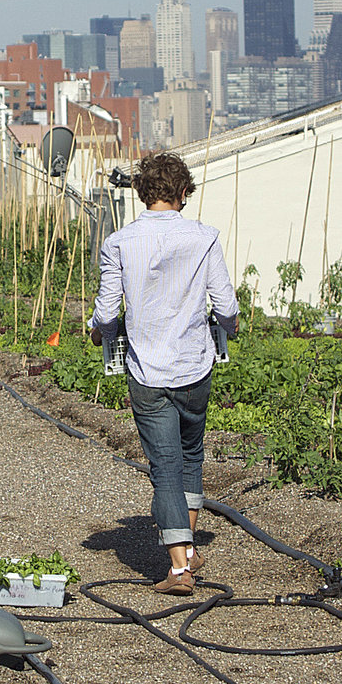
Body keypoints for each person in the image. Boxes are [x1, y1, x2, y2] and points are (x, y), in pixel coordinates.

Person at [89, 152, 237, 595]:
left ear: (141, 191)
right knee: (191, 457)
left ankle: (177, 570)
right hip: (195, 366)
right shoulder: (205, 238)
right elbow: (226, 307)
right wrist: (227, 329)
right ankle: (187, 550)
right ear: (184, 192)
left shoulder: (119, 242)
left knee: (165, 465)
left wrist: (101, 333)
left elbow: (106, 310)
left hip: (148, 371)